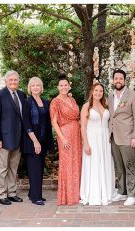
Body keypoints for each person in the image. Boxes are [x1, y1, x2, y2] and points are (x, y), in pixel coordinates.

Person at [0, 70, 27, 205]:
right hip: (3, 139)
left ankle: (11, 193)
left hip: (18, 139)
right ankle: (1, 195)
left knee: (13, 168)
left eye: (15, 80)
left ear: (18, 81)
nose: (13, 82)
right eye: (10, 80)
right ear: (6, 81)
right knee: (2, 168)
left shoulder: (22, 95)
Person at [108, 69, 135, 206]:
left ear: (124, 80)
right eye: (116, 78)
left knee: (130, 165)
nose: (118, 81)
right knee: (119, 166)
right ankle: (122, 191)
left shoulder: (133, 96)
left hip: (128, 137)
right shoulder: (111, 95)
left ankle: (132, 194)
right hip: (114, 137)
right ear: (113, 80)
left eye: (120, 78)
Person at [81, 82, 116, 206]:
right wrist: (86, 143)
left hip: (105, 139)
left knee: (105, 163)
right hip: (92, 138)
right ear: (92, 92)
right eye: (96, 90)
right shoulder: (86, 106)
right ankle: (93, 193)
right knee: (94, 164)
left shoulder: (105, 106)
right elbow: (83, 126)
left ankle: (106, 191)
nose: (98, 93)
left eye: (100, 91)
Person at [22, 77, 55, 205]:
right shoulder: (27, 102)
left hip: (43, 141)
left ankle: (33, 193)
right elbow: (26, 123)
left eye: (38, 85)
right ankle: (36, 197)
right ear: (30, 88)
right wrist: (35, 141)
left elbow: (48, 122)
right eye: (33, 85)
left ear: (41, 88)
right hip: (32, 141)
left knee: (39, 169)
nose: (35, 87)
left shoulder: (46, 102)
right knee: (34, 169)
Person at [50, 76, 82, 206]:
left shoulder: (72, 99)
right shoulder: (55, 102)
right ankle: (68, 196)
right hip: (65, 135)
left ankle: (78, 193)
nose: (64, 87)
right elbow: (54, 122)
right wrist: (62, 138)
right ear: (58, 87)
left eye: (66, 85)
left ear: (69, 86)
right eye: (61, 85)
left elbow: (78, 118)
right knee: (67, 164)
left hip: (77, 134)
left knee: (77, 162)